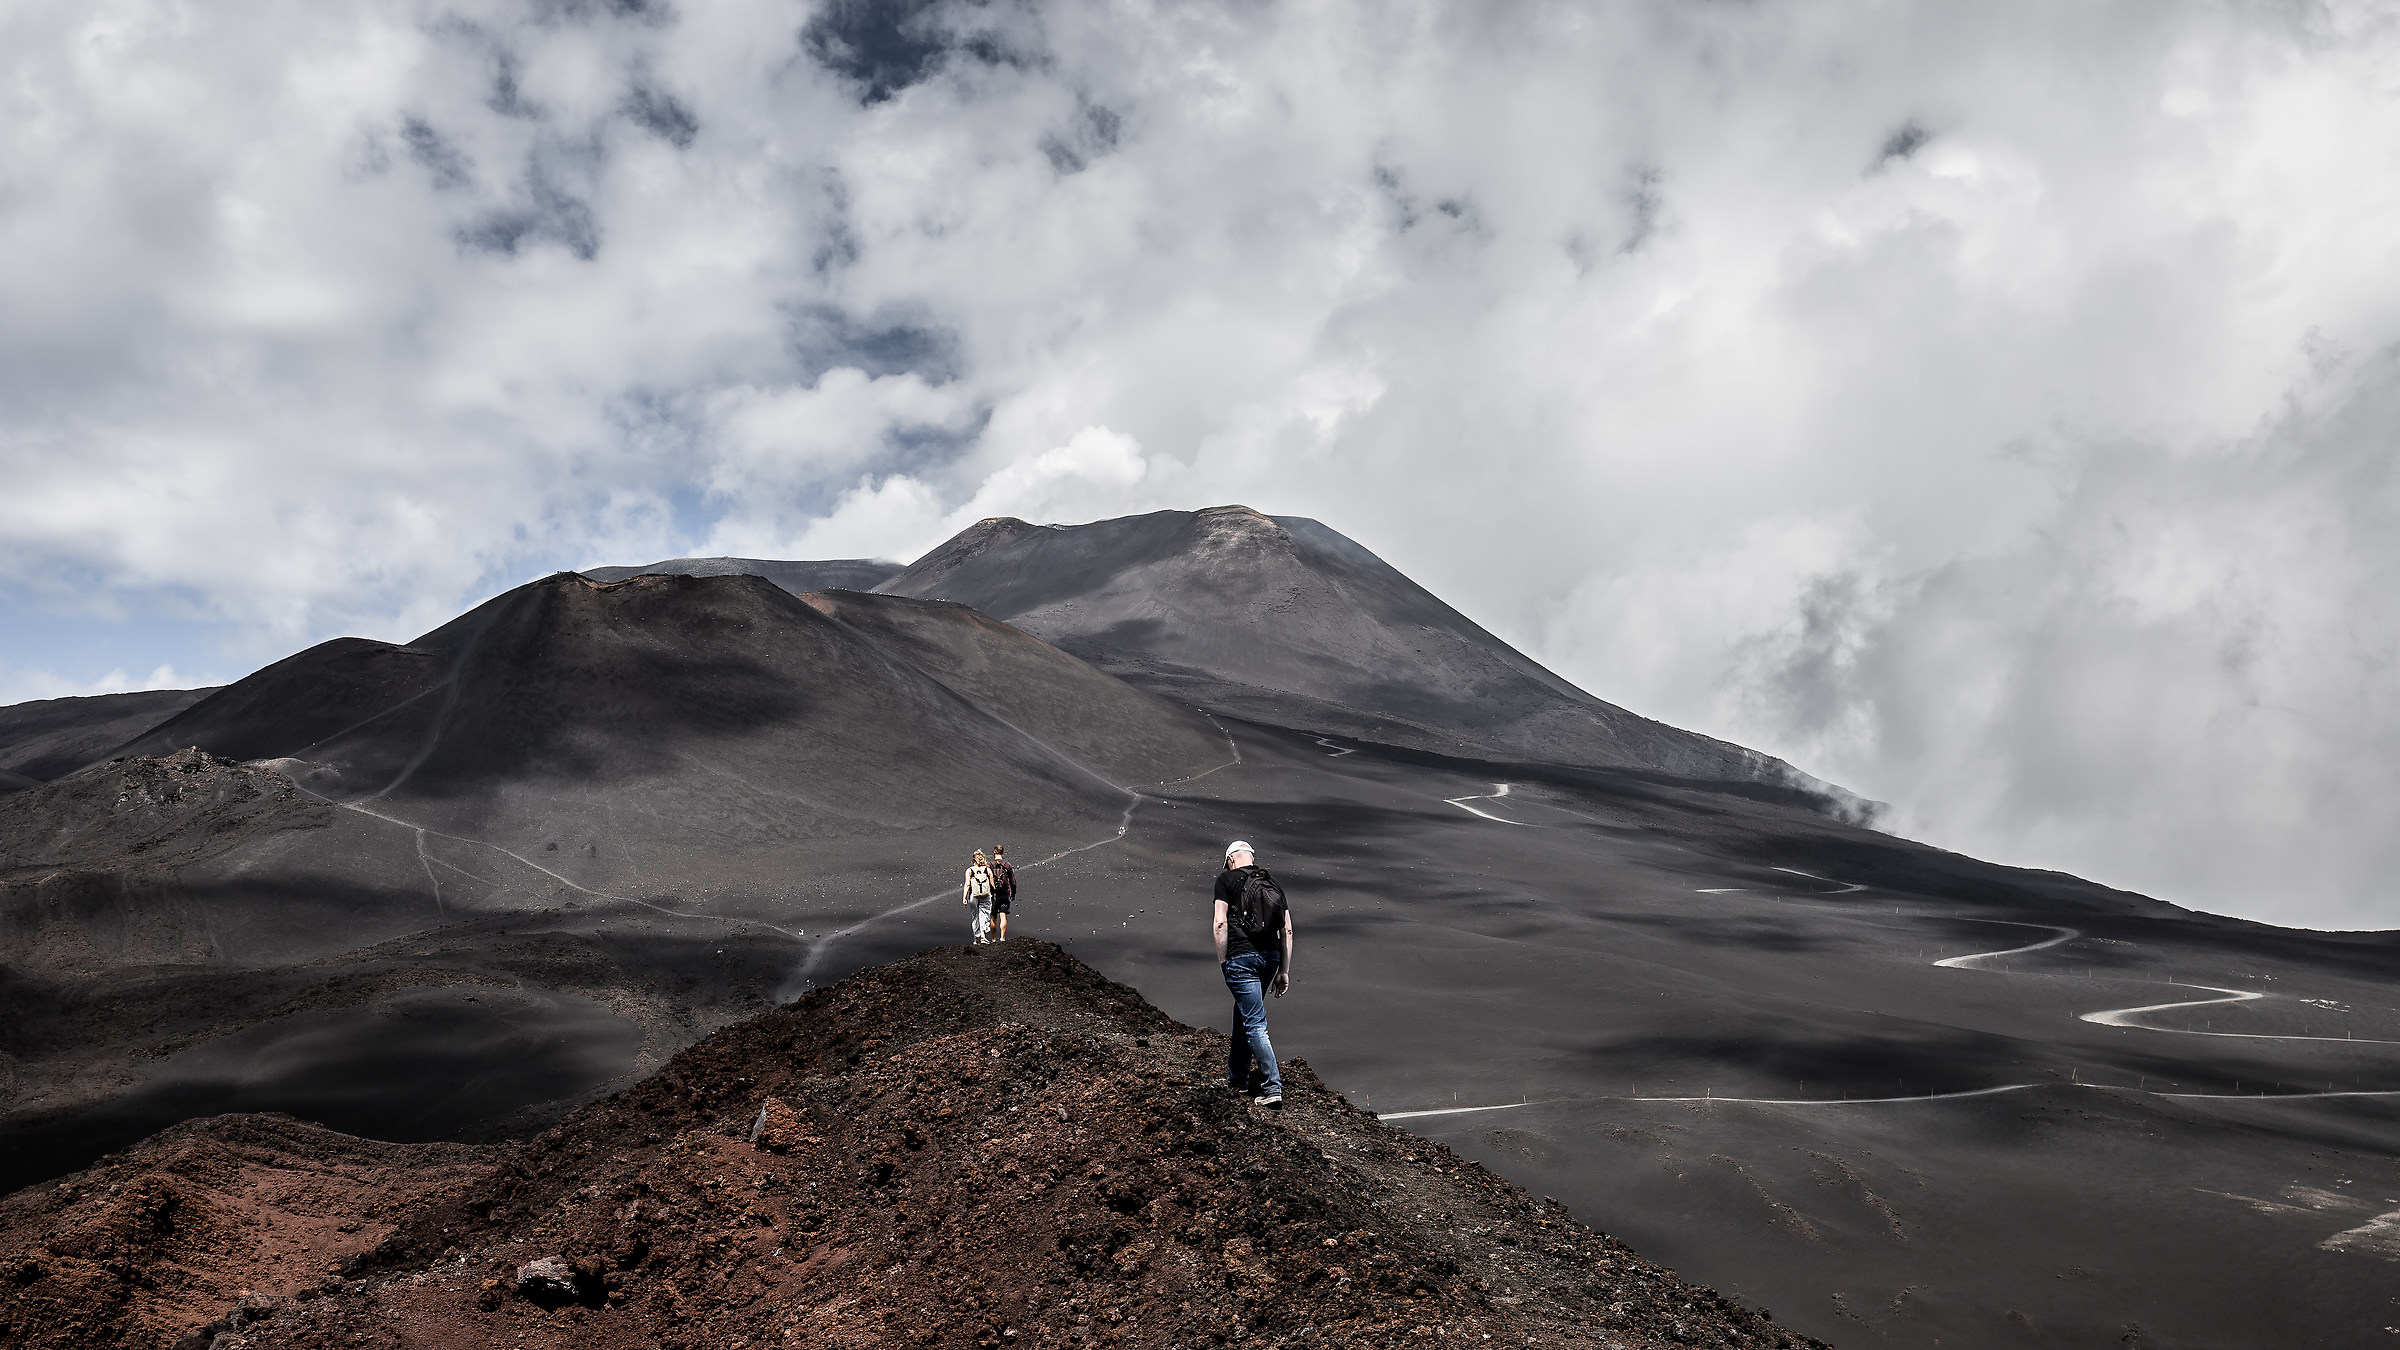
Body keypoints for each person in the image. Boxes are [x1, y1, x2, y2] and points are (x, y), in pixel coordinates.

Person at [1213, 840, 1292, 1107]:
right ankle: (1237, 1080)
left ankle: (1272, 1088)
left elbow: (1220, 922)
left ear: (1231, 860)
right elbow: (1288, 930)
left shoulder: (1226, 880)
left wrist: (1224, 961)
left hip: (1241, 958)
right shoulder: (1272, 883)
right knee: (1243, 1014)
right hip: (1271, 958)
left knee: (1255, 1023)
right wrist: (1284, 970)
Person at [962, 850, 997, 945]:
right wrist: (994, 894)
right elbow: (992, 884)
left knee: (975, 916)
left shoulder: (969, 870)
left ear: (973, 859)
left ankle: (976, 938)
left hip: (973, 895)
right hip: (986, 895)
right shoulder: (987, 870)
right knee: (984, 914)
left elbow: (967, 884)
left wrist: (964, 898)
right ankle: (983, 936)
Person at [988, 844, 1017, 942]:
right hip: (1005, 893)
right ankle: (1002, 937)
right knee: (1003, 915)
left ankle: (993, 938)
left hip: (993, 894)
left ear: (994, 852)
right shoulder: (1007, 865)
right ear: (1003, 852)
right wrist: (1013, 894)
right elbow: (1013, 881)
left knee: (993, 916)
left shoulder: (989, 864)